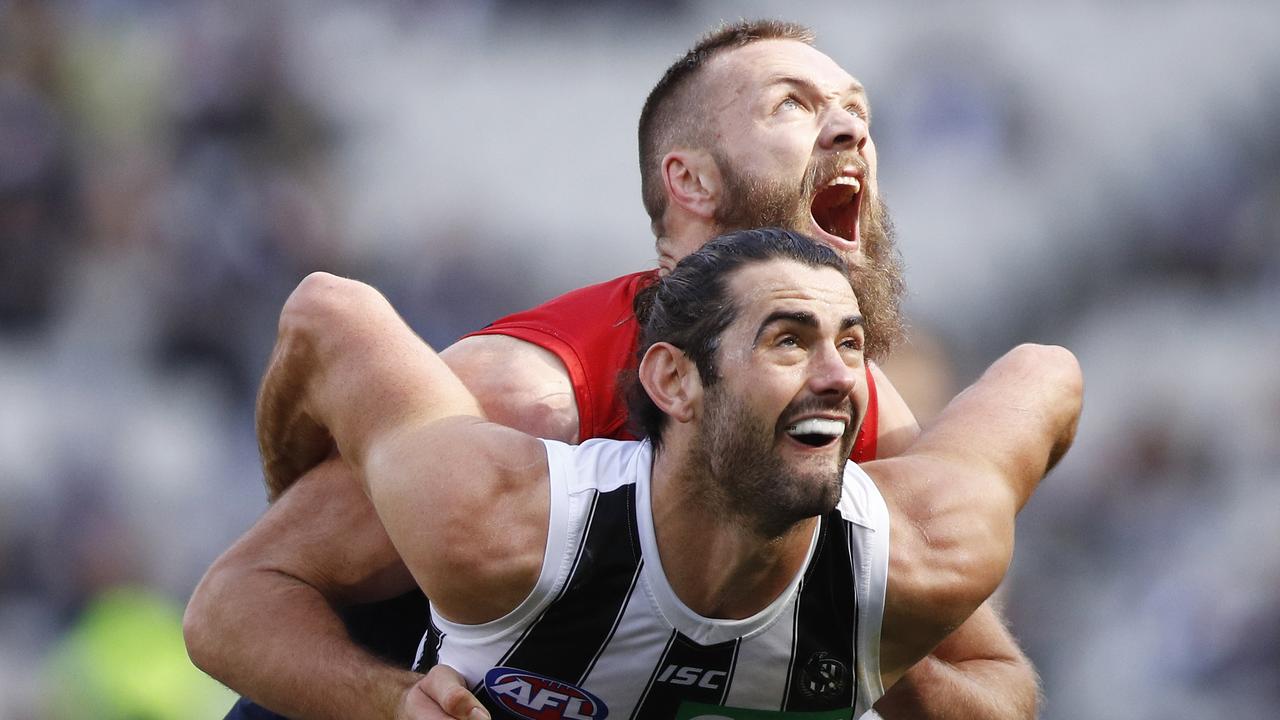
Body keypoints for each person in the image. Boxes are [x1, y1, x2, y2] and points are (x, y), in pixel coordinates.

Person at [185, 20, 1040, 720]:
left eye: (859, 110)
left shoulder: (864, 424)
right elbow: (233, 605)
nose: (853, 129)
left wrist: (862, 655)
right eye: (795, 106)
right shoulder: (530, 403)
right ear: (691, 181)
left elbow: (997, 690)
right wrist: (393, 701)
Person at [251, 229, 1082, 719]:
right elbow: (330, 309)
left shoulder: (921, 555)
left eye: (853, 343)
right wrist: (388, 700)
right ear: (673, 380)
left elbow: (1049, 375)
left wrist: (881, 666)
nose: (841, 376)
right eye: (790, 340)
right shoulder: (500, 520)